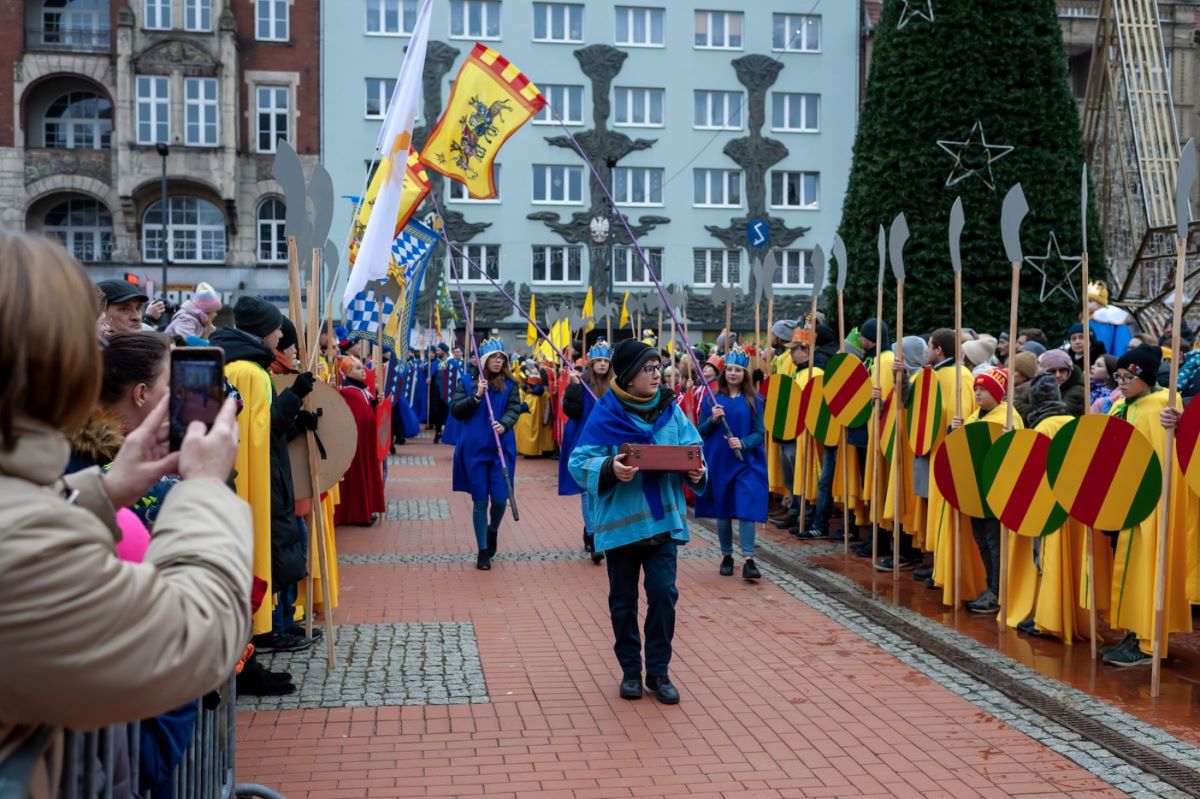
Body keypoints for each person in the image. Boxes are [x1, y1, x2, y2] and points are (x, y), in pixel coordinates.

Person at [0, 231, 251, 794]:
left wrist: (103, 492)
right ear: (65, 369)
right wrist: (204, 488)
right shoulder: (20, 547)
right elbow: (195, 638)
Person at [568, 339, 707, 704]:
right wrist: (609, 468)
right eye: (649, 369)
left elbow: (694, 450)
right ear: (629, 376)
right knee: (623, 601)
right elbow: (577, 462)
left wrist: (697, 470)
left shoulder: (670, 411)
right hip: (622, 526)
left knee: (663, 596)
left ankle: (658, 673)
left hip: (662, 523)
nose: (657, 374)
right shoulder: (606, 413)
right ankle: (630, 670)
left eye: (658, 367)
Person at [211, 298, 312, 652]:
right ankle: (267, 630)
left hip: (263, 474)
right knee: (270, 549)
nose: (281, 335)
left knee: (279, 548)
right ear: (263, 331)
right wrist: (295, 396)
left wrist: (296, 419)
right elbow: (263, 431)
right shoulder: (250, 372)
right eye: (276, 329)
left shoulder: (246, 366)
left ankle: (275, 624)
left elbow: (266, 429)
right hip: (259, 479)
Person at [1102, 345, 1193, 666]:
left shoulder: (1163, 405)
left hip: (1152, 503)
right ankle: (1132, 632)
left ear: (1145, 377)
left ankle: (1146, 641)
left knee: (1146, 570)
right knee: (1128, 570)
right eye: (1118, 377)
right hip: (1124, 501)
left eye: (1127, 378)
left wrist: (1179, 424)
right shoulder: (1121, 406)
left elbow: (1179, 448)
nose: (1121, 383)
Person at [951, 367, 1024, 614]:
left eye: (984, 389)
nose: (978, 393)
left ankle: (997, 591)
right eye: (976, 389)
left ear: (997, 393)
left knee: (995, 544)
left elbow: (1016, 455)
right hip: (975, 492)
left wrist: (1010, 439)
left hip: (996, 493)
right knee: (982, 542)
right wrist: (955, 432)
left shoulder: (1008, 418)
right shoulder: (974, 416)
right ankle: (989, 586)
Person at [450, 339, 522, 570]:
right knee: (480, 501)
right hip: (475, 451)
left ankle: (493, 530)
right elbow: (456, 410)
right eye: (494, 357)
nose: (498, 361)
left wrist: (505, 423)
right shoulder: (467, 382)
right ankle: (482, 550)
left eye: (501, 357)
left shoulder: (511, 384)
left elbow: (514, 408)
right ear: (483, 360)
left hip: (501, 450)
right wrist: (476, 396)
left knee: (500, 500)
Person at [696, 347, 765, 580]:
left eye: (738, 370)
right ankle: (727, 556)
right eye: (730, 370)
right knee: (723, 511)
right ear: (724, 373)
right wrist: (713, 419)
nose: (733, 373)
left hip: (747, 462)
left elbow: (759, 433)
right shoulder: (712, 399)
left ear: (745, 373)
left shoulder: (755, 400)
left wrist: (743, 443)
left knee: (746, 508)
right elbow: (700, 431)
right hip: (721, 461)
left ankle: (749, 559)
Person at [560, 341, 613, 563]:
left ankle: (595, 529)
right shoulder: (581, 383)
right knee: (586, 490)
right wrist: (574, 387)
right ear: (591, 364)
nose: (602, 364)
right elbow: (570, 411)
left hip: (607, 442)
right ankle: (593, 536)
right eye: (598, 361)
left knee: (603, 489)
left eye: (605, 361)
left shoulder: (615, 386)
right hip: (583, 441)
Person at [334, 356, 385, 527]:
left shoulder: (364, 390)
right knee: (356, 477)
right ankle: (357, 513)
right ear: (347, 372)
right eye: (357, 368)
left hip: (367, 441)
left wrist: (377, 403)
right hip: (356, 443)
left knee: (366, 474)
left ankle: (366, 509)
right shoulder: (348, 392)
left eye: (363, 367)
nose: (363, 371)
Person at [1038, 349, 1086, 416]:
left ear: (1069, 371)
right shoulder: (1042, 386)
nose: (1058, 375)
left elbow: (1061, 413)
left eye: (1062, 370)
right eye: (1052, 371)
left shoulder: (1077, 390)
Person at [427, 343, 451, 443]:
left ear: (444, 351)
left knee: (446, 413)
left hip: (448, 393)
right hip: (436, 393)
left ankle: (447, 433)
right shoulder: (435, 363)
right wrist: (429, 379)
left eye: (438, 350)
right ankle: (438, 432)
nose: (437, 352)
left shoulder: (450, 362)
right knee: (437, 413)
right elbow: (431, 374)